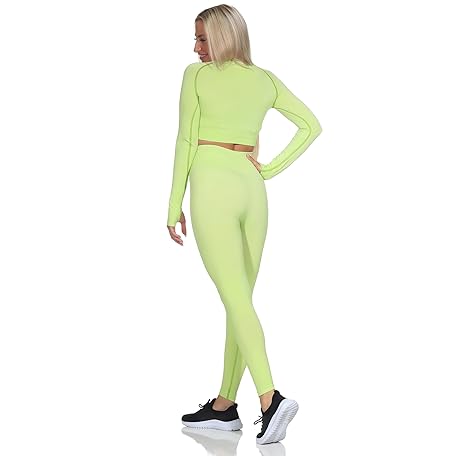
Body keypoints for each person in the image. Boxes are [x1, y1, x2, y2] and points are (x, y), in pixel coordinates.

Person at [166, 4, 322, 446]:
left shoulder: (195, 76)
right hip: (253, 191)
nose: (196, 48)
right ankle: (223, 407)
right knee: (241, 302)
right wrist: (268, 169)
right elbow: (310, 126)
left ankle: (270, 398)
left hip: (213, 184)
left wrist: (173, 204)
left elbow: (185, 138)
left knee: (237, 300)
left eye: (202, 39)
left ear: (222, 36)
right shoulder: (265, 80)